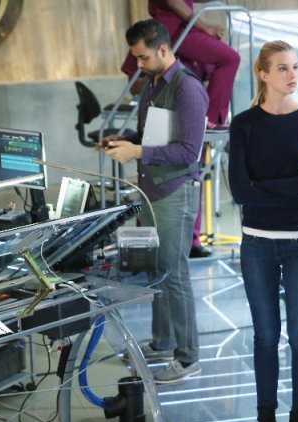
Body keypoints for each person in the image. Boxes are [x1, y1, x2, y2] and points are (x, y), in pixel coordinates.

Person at [228, 41, 298, 422]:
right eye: (283, 68)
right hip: (257, 243)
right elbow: (239, 192)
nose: (292, 75)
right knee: (266, 336)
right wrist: (294, 184)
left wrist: (264, 186)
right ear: (263, 74)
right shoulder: (244, 124)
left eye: (295, 67)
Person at [103, 19, 207, 384]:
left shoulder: (187, 88)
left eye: (143, 57)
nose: (139, 65)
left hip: (175, 191)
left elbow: (189, 151)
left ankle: (188, 357)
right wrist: (125, 141)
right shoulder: (153, 84)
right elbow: (154, 136)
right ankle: (163, 342)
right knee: (158, 269)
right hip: (152, 190)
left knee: (175, 274)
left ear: (163, 49)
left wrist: (138, 152)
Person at [121, 0, 239, 130]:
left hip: (178, 27)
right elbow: (173, 2)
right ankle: (209, 119)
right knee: (230, 59)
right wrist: (205, 27)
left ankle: (204, 118)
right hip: (177, 27)